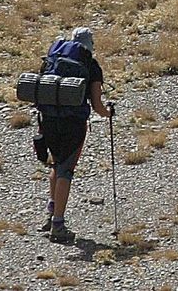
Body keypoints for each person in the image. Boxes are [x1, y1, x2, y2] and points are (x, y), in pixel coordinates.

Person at [35, 26, 113, 243]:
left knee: (56, 164)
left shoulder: (53, 59)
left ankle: (50, 214)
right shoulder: (90, 64)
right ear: (89, 44)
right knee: (66, 170)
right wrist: (108, 113)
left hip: (48, 119)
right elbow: (97, 105)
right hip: (73, 123)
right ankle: (58, 225)